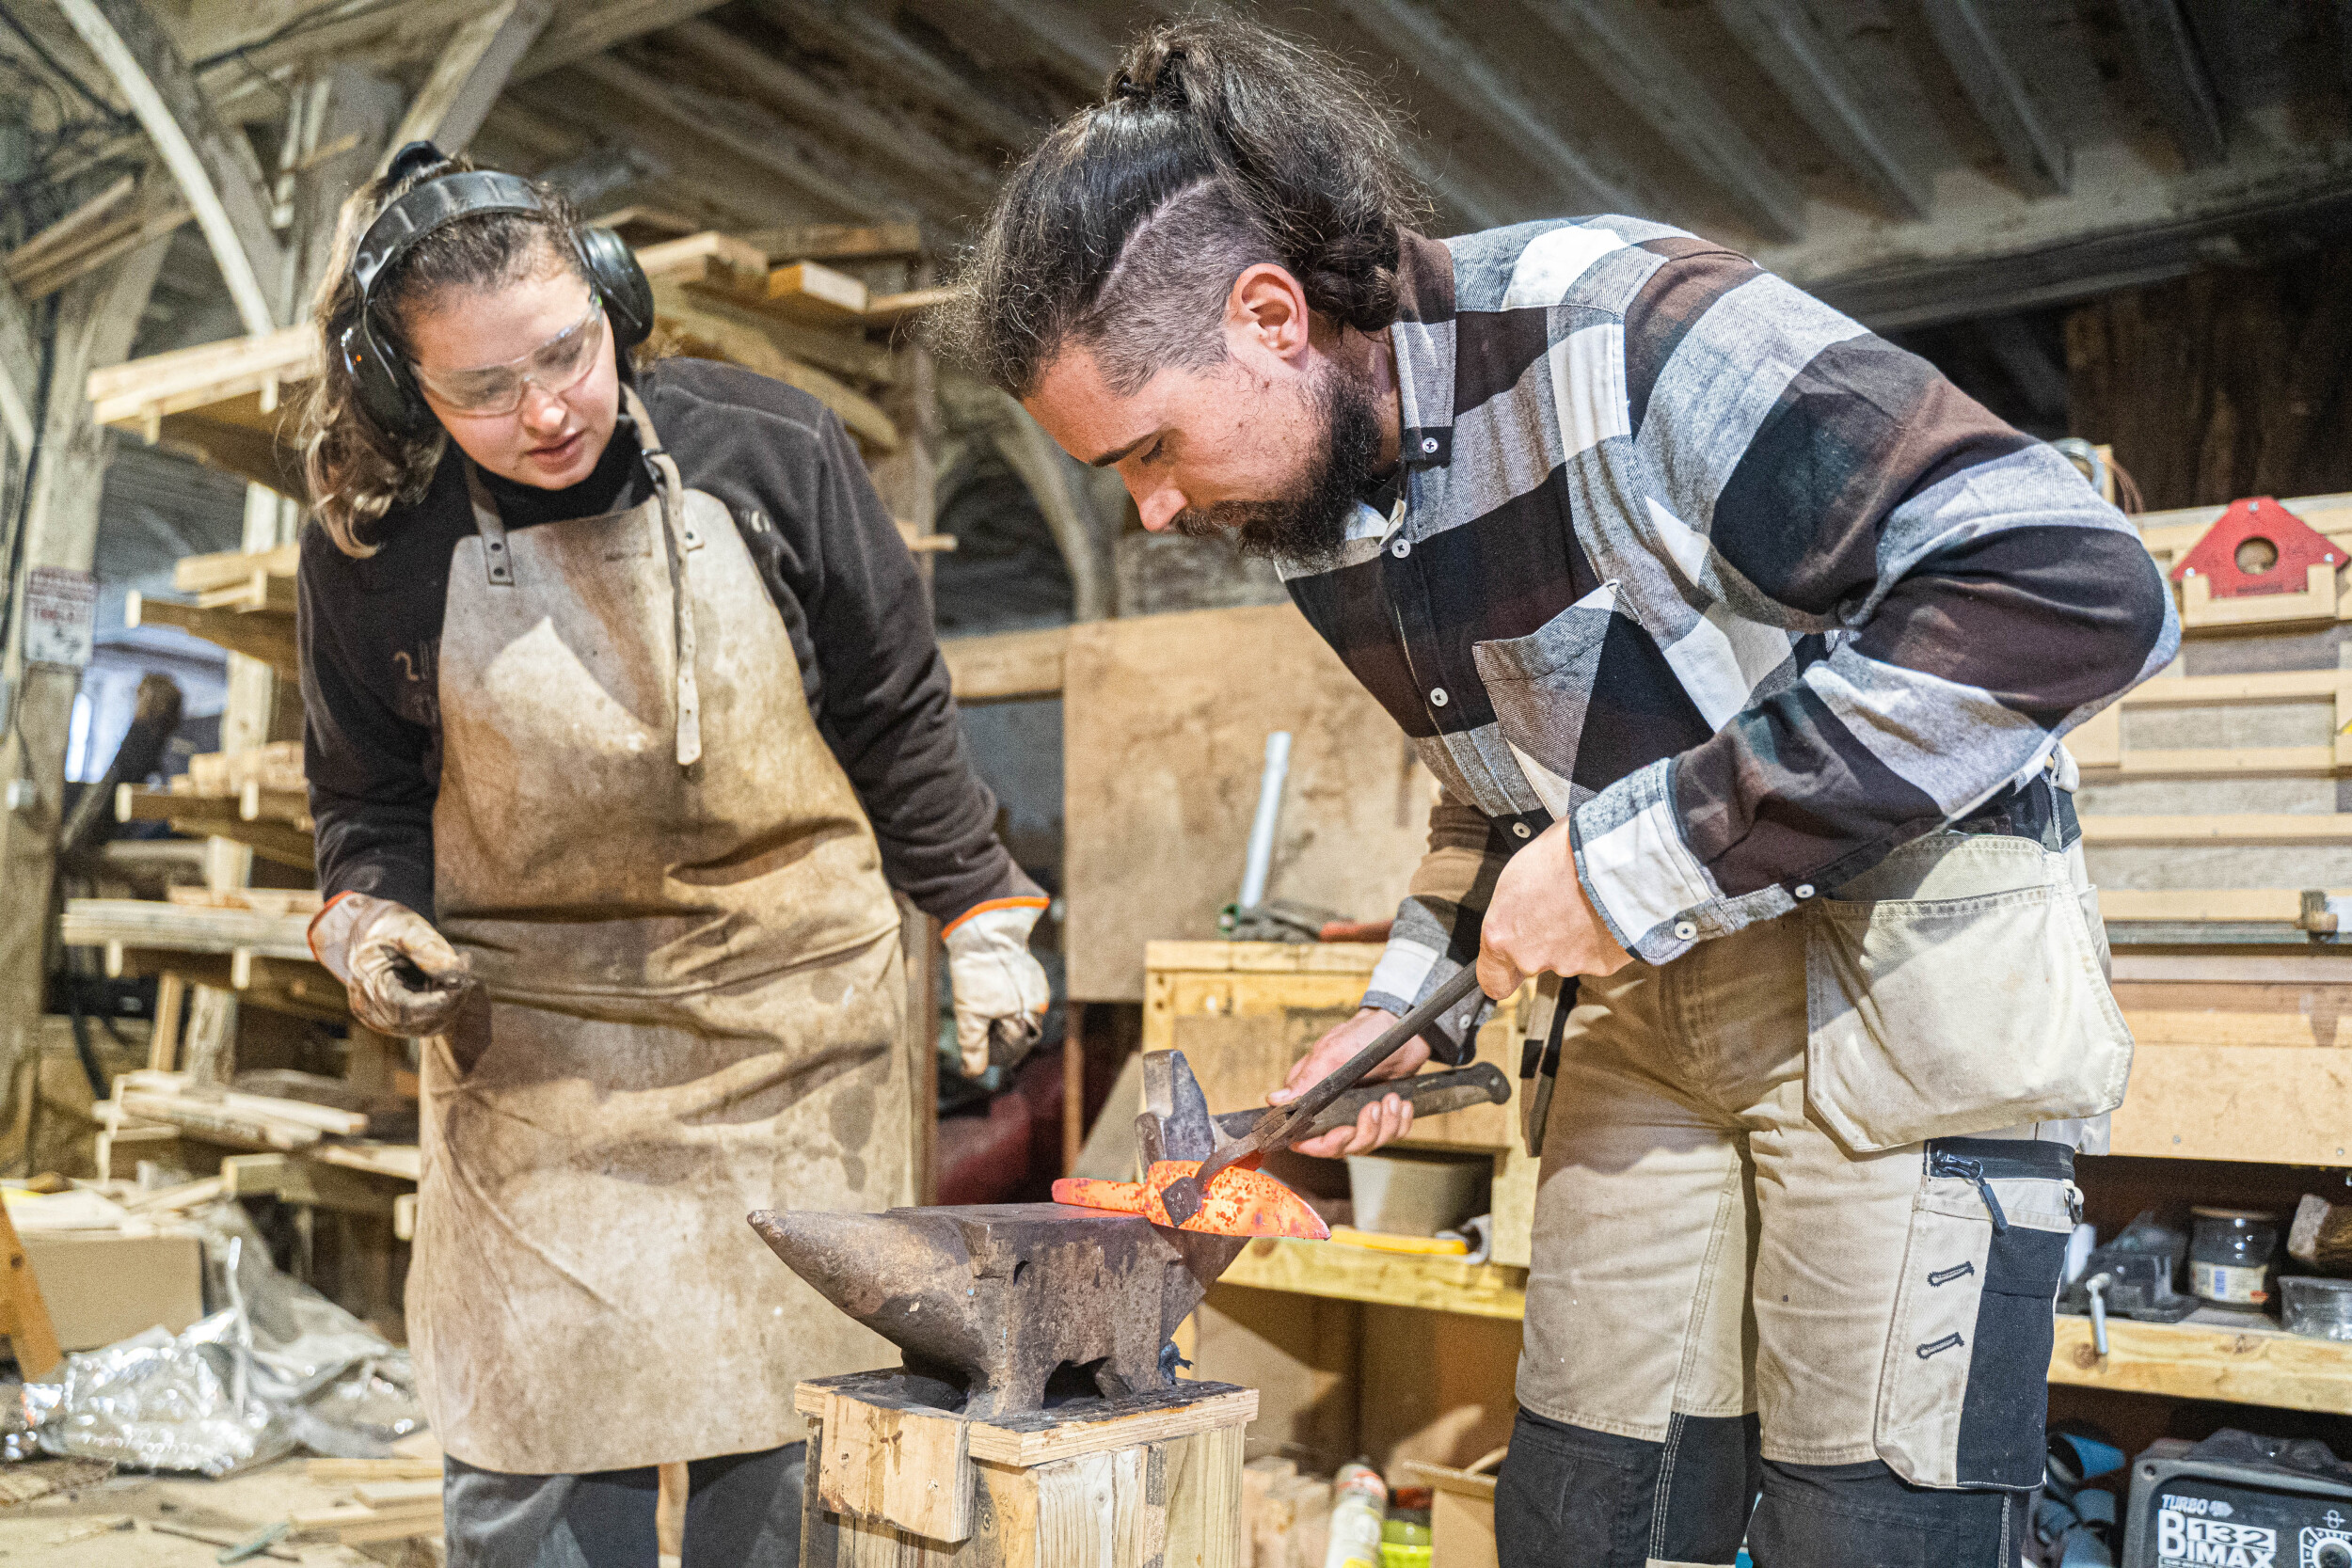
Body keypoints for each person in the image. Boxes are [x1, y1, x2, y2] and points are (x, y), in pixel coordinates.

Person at [937, 17, 2176, 1566]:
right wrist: (1411, 1010)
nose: (1159, 505)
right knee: (1586, 1515)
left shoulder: (1620, 328)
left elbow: (2068, 583)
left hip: (1904, 991)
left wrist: (1633, 867)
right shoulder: (1326, 511)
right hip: (1653, 1013)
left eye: (1154, 448)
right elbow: (1509, 803)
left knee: (1870, 1533)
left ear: (1270, 316)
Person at [294, 143, 1051, 1567]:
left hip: (791, 1042)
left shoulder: (772, 448)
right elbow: (365, 802)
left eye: (568, 354)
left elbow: (898, 717)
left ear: (613, 302)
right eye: (483, 393)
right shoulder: (374, 546)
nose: (548, 411)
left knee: (783, 1473)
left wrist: (981, 915)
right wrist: (369, 920)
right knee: (533, 1468)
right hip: (538, 1070)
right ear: (410, 394)